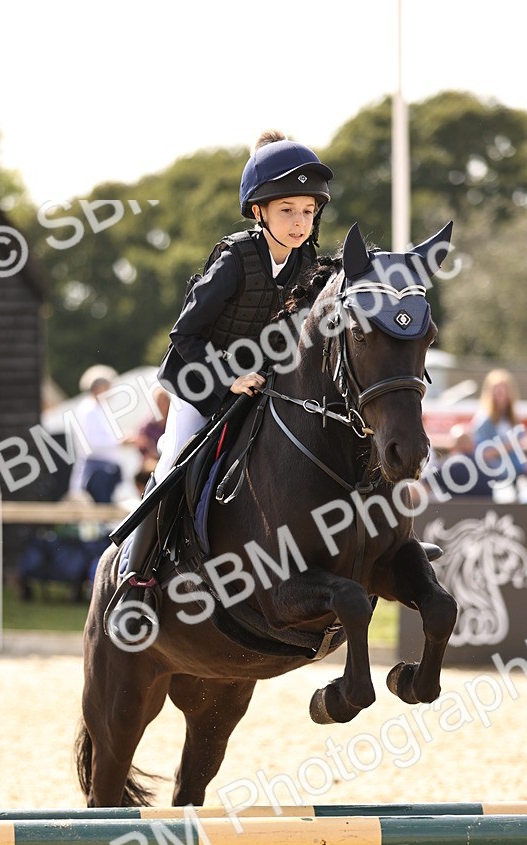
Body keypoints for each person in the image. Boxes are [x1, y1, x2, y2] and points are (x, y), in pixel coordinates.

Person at [105, 131, 334, 639]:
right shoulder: (234, 258)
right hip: (198, 380)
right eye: (287, 211)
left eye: (308, 211)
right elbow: (184, 335)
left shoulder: (306, 263)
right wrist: (228, 375)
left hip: (258, 385)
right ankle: (135, 584)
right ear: (258, 212)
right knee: (172, 463)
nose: (299, 222)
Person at [68, 373, 126, 503]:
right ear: (98, 389)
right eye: (107, 388)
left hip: (103, 469)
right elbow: (91, 443)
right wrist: (119, 443)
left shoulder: (97, 409)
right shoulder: (88, 410)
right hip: (96, 472)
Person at [468, 368, 527, 482]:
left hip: (516, 475)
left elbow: (519, 452)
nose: (501, 396)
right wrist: (508, 446)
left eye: (504, 391)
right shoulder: (483, 421)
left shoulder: (513, 419)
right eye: (497, 392)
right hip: (495, 477)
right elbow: (482, 454)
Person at [133, 385, 171, 490]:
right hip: (153, 460)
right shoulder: (149, 424)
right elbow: (140, 439)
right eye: (158, 402)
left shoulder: (173, 421)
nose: (161, 405)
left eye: (163, 401)